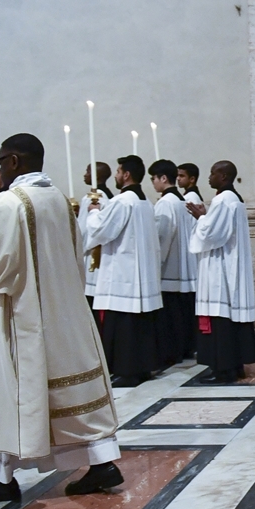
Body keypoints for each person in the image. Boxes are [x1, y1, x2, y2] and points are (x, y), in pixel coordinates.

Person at [0, 133, 122, 503]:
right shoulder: (59, 200)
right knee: (70, 389)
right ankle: (100, 461)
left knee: (5, 389)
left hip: (19, 314)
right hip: (64, 311)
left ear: (14, 161)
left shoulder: (9, 204)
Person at [85, 155, 163, 387]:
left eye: (119, 171)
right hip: (140, 273)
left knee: (123, 326)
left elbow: (101, 230)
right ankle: (142, 368)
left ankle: (126, 371)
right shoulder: (145, 202)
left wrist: (92, 212)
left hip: (123, 274)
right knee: (139, 324)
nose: (117, 176)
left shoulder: (123, 201)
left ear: (126, 174)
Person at [187, 161, 255, 384]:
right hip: (229, 264)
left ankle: (223, 370)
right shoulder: (233, 199)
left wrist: (200, 218)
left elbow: (211, 234)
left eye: (213, 173)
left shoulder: (223, 200)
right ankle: (234, 366)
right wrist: (206, 217)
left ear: (224, 176)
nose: (209, 178)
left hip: (220, 268)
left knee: (221, 317)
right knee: (229, 318)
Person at [149, 159, 198, 363]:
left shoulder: (165, 203)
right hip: (186, 265)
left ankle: (172, 352)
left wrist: (155, 264)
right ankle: (186, 348)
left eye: (153, 179)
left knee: (170, 315)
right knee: (182, 312)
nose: (152, 183)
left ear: (163, 178)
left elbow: (161, 237)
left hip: (170, 267)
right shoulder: (181, 201)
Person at [78, 162, 113, 307]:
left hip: (91, 255)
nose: (84, 174)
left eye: (88, 171)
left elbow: (84, 229)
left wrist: (76, 248)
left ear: (96, 176)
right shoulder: (109, 195)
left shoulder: (93, 197)